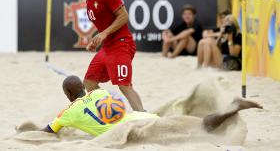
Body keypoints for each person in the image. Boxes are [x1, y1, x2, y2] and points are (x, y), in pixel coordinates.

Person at [42, 75, 262, 136]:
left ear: (68, 94)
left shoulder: (67, 113)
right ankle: (228, 108)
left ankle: (231, 107)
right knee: (194, 124)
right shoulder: (99, 92)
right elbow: (117, 107)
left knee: (200, 129)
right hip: (140, 119)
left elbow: (47, 132)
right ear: (82, 86)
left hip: (136, 131)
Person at [75, 0, 145, 112]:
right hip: (107, 47)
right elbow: (104, 27)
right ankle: (111, 110)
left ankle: (144, 116)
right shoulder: (89, 3)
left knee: (124, 85)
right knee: (89, 82)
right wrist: (96, 40)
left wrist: (104, 34)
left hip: (122, 44)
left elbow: (124, 16)